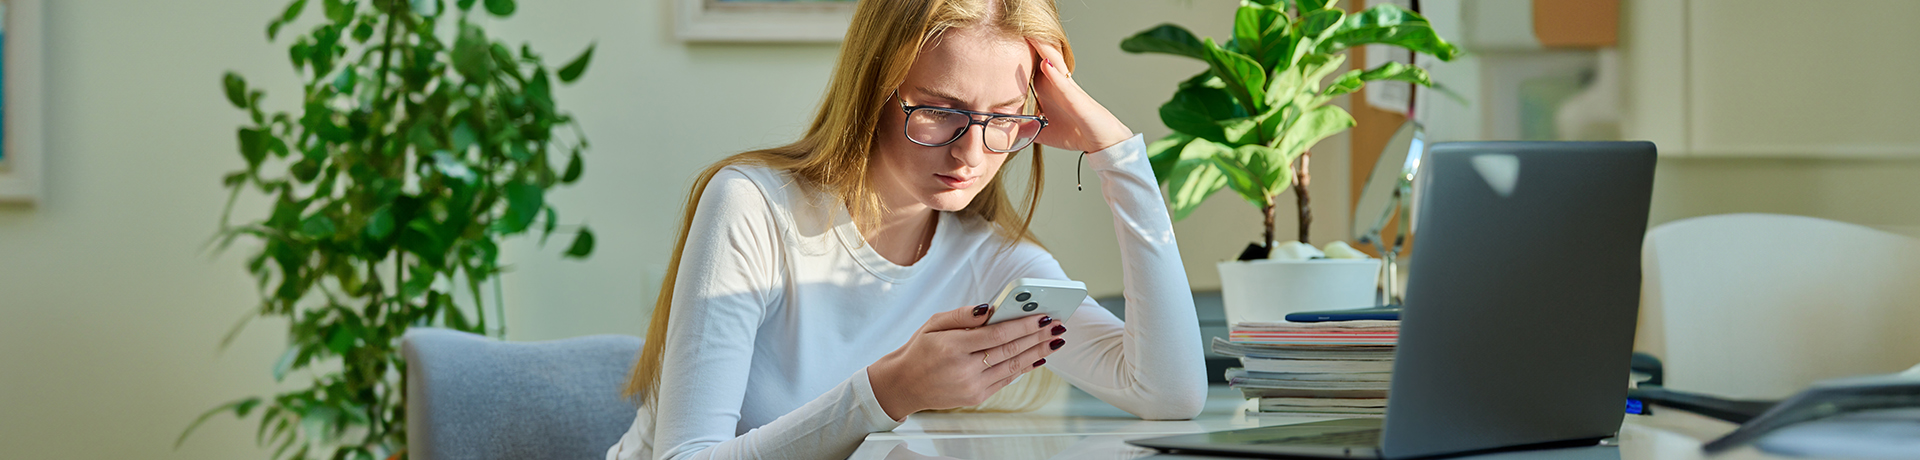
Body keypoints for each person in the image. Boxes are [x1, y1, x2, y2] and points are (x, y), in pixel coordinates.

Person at [606, 0, 1205, 458]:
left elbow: (1168, 394)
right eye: (940, 110)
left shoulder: (991, 261)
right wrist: (889, 391)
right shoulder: (753, 206)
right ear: (872, 91)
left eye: (1002, 117)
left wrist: (1119, 158)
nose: (971, 153)